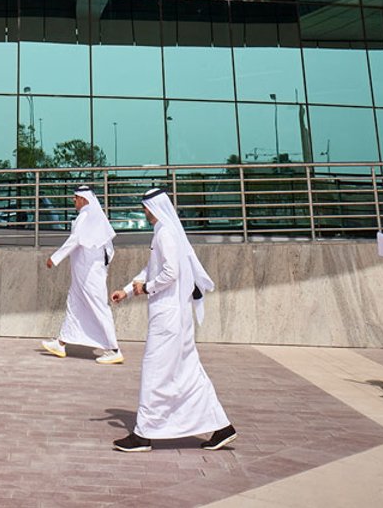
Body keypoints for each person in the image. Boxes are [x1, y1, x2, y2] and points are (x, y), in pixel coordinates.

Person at [109, 186, 236, 453]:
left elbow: (170, 272)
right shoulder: (164, 233)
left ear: (155, 208)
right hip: (174, 317)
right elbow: (151, 268)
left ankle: (143, 434)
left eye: (146, 207)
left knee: (154, 371)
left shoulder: (166, 233)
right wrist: (129, 290)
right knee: (188, 372)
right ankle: (221, 427)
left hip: (168, 318)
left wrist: (147, 288)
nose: (144, 212)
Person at [40, 186, 123, 363]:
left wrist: (54, 259)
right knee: (74, 304)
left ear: (84, 200)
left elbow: (75, 240)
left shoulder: (86, 216)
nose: (74, 200)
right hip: (83, 272)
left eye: (76, 198)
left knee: (98, 306)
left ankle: (114, 349)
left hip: (90, 274)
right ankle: (61, 343)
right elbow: (109, 250)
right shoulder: (93, 217)